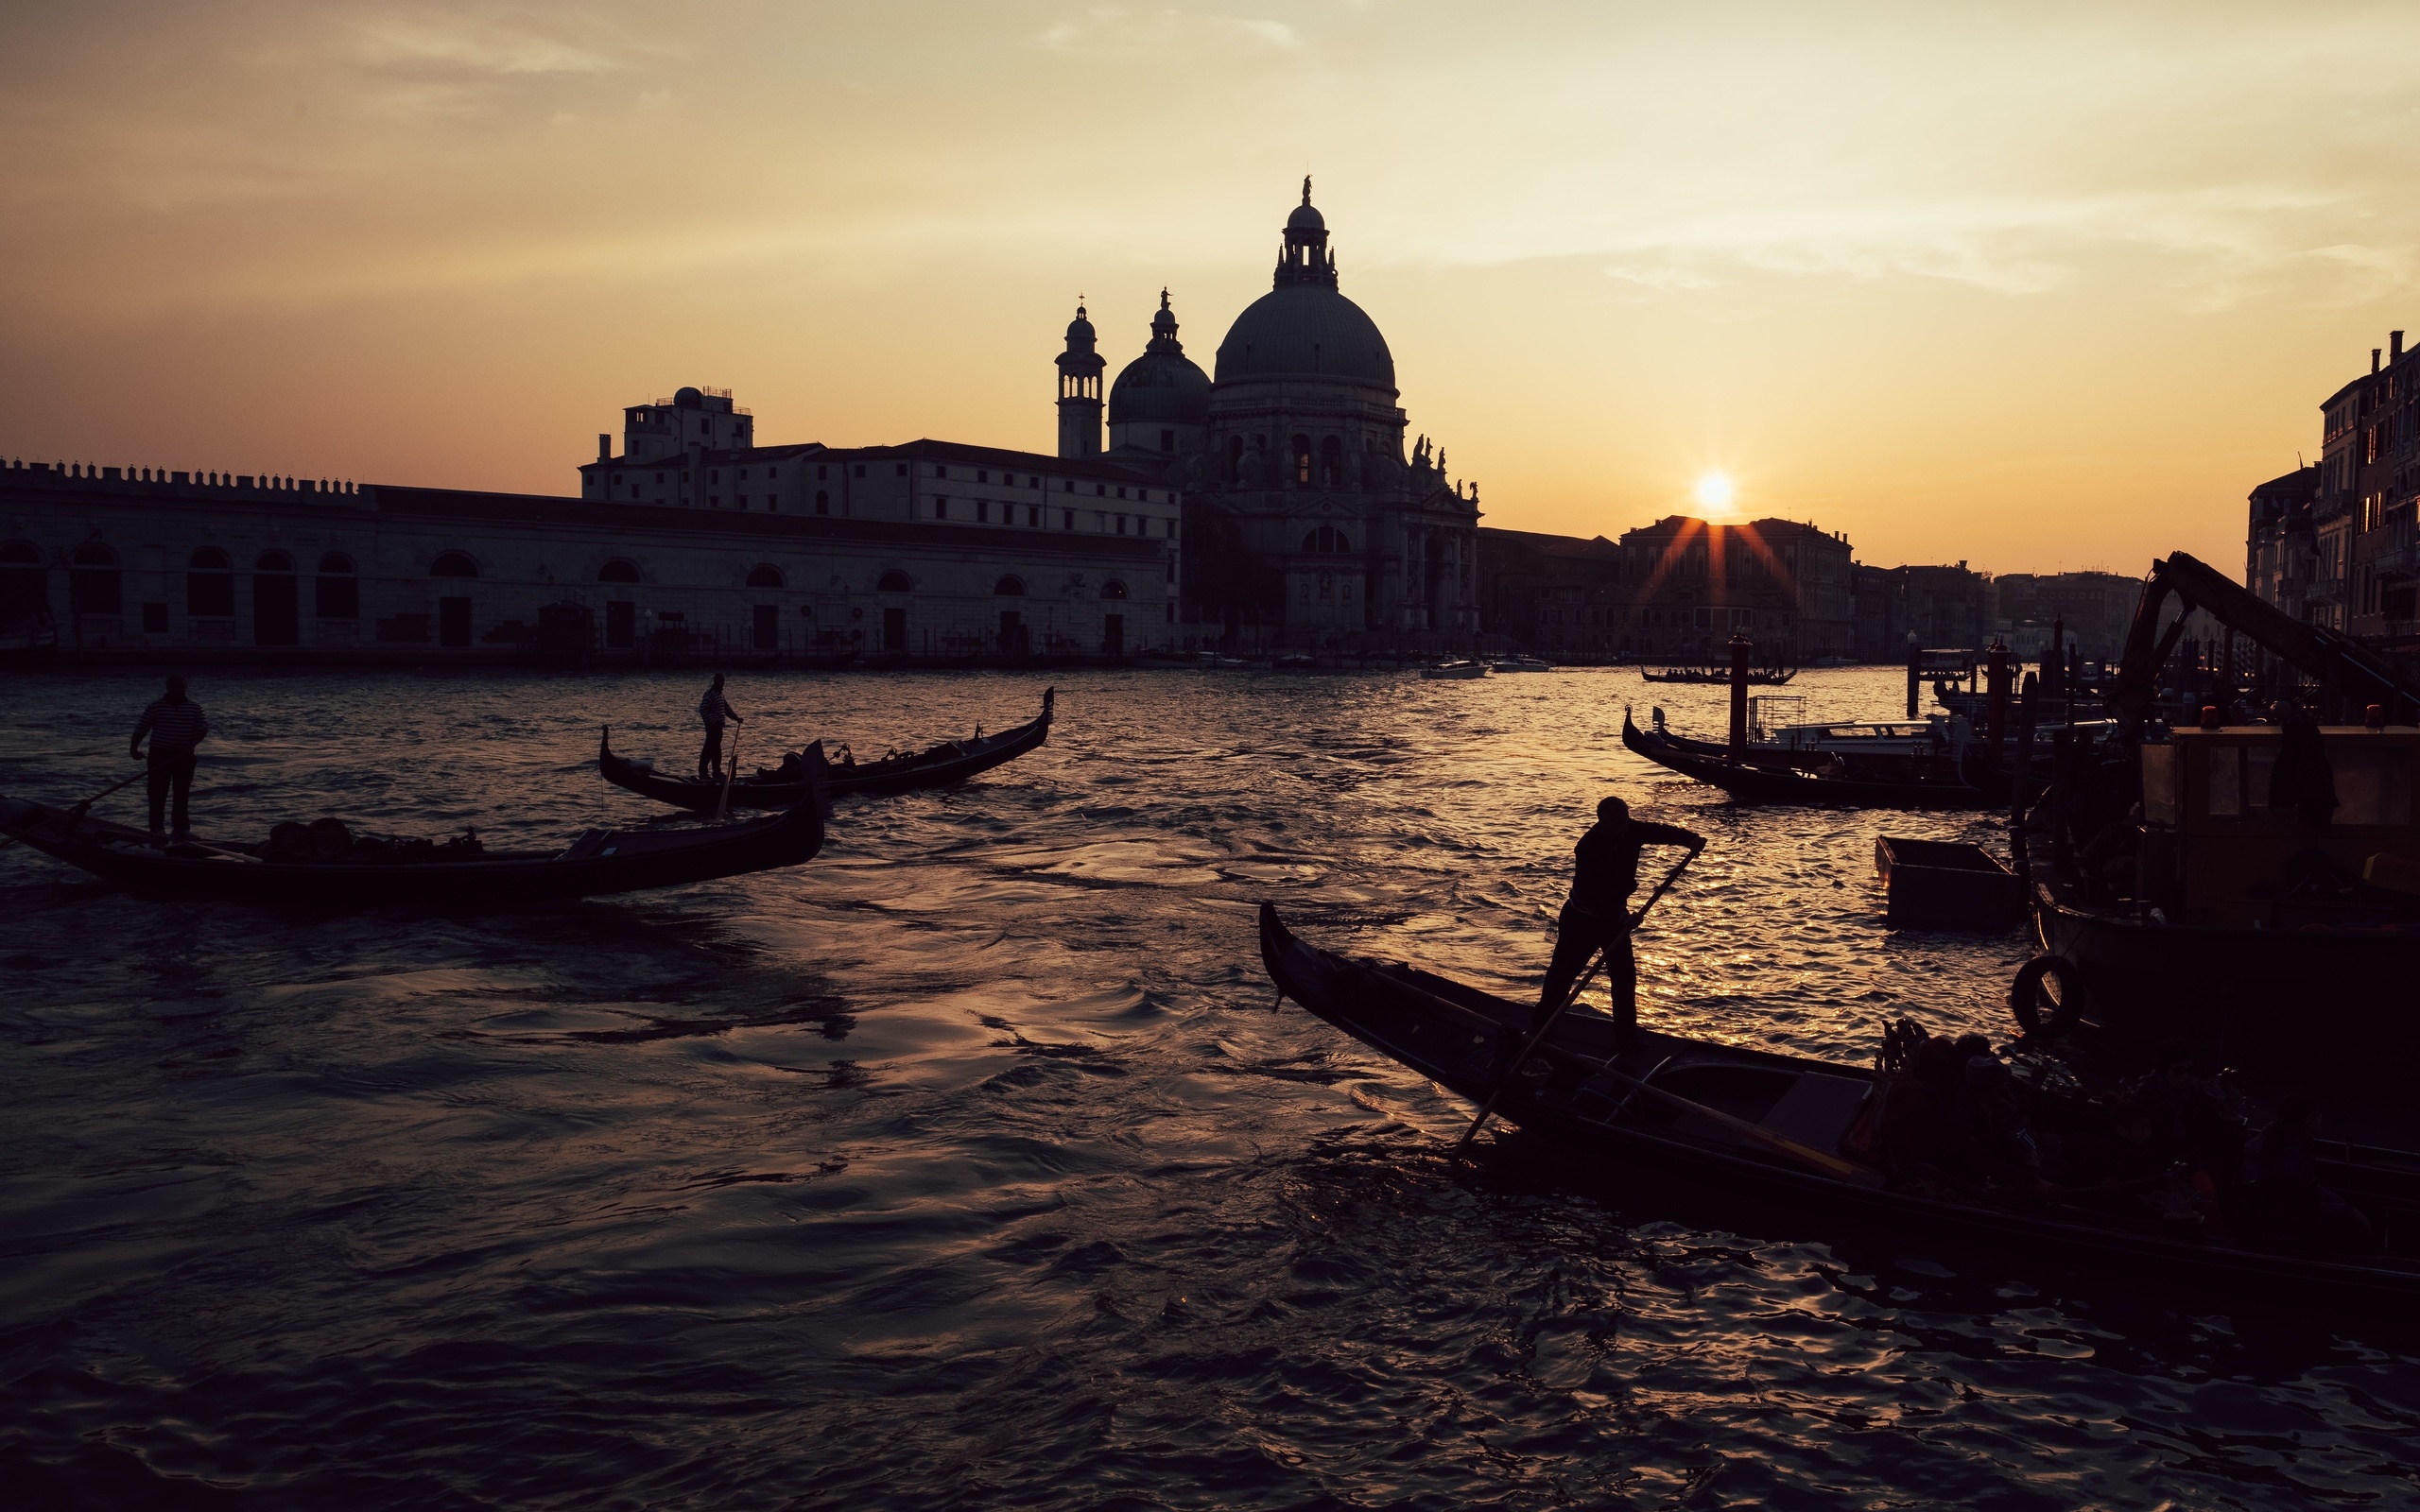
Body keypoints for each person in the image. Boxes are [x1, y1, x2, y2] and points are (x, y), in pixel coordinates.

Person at [1534, 796, 1703, 1047]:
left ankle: (1627, 1039)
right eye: (1616, 825)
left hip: (1614, 922)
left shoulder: (1630, 830)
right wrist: (1620, 916)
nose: (1623, 829)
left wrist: (1688, 838)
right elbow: (1588, 894)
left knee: (1624, 979)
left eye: (1625, 822)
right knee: (1563, 976)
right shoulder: (1587, 847)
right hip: (1582, 919)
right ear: (1602, 822)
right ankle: (1539, 1028)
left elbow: (1656, 831)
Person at [129, 674, 209, 841]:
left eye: (181, 687)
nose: (178, 690)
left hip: (185, 757)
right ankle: (157, 828)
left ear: (186, 689)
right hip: (159, 754)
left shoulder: (195, 708)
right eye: (174, 687)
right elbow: (142, 728)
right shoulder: (155, 707)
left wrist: (188, 748)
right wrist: (134, 749)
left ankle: (181, 829)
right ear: (168, 689)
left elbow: (202, 730)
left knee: (182, 793)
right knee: (157, 793)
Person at [697, 673, 742, 780]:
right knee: (709, 749)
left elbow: (726, 709)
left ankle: (716, 772)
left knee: (716, 749)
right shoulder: (711, 694)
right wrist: (712, 722)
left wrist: (736, 718)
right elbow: (702, 709)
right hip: (713, 727)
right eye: (720, 682)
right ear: (715, 681)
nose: (722, 684)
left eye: (723, 682)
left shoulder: (720, 695)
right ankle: (704, 772)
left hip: (718, 727)